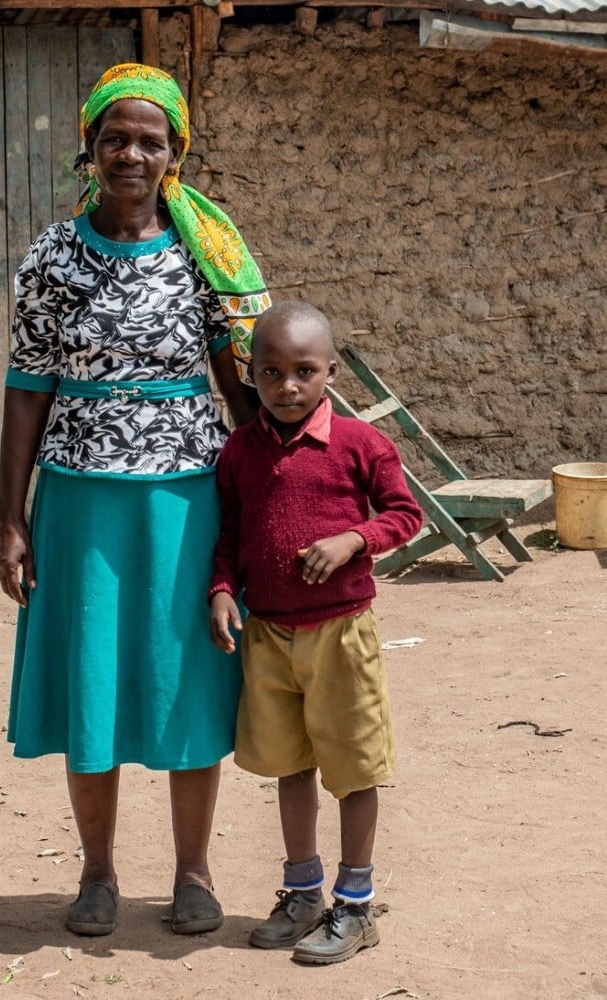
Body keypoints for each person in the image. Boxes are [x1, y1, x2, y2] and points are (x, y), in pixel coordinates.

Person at [0, 63, 270, 938]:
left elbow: (240, 387)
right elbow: (26, 389)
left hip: (185, 501)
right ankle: (98, 873)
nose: (131, 153)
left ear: (174, 153)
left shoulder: (202, 254)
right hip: (79, 505)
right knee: (93, 686)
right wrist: (11, 518)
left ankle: (194, 874)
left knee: (187, 684)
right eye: (115, 137)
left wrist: (268, 496)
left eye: (150, 140)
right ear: (89, 147)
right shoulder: (51, 257)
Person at [207, 301, 423, 965]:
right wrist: (219, 590)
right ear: (251, 375)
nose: (288, 386)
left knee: (352, 770)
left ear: (330, 369)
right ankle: (302, 892)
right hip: (268, 637)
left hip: (340, 634)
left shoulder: (360, 444)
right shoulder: (240, 451)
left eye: (304, 370)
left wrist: (354, 538)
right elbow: (229, 534)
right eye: (270, 373)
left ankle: (354, 907)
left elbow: (404, 514)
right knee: (290, 767)